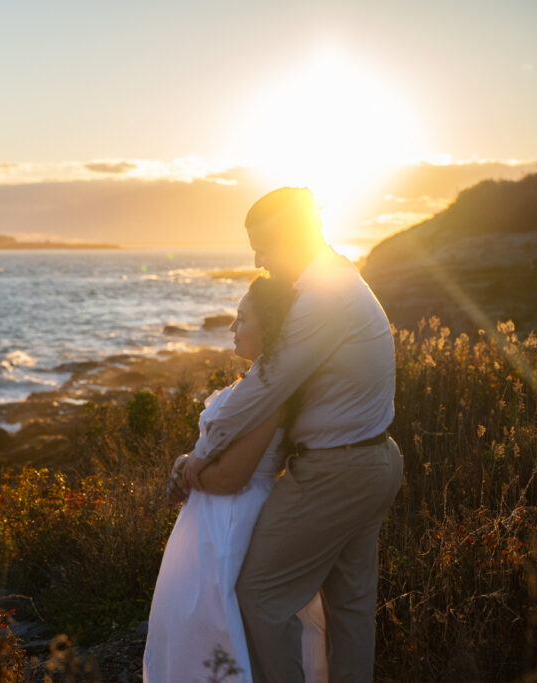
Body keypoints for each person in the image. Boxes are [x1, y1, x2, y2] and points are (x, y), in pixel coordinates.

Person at [183, 187, 403, 683]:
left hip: (337, 471)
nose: (258, 259)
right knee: (350, 612)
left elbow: (266, 384)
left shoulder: (325, 296)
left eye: (264, 246)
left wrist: (199, 453)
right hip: (371, 460)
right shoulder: (339, 281)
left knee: (259, 596)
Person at [143, 275, 328, 683]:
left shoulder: (272, 396)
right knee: (193, 623)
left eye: (242, 318)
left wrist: (191, 475)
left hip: (234, 519)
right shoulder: (254, 385)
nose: (232, 327)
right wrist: (184, 462)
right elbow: (215, 455)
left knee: (219, 622)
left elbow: (232, 477)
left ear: (271, 327)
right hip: (211, 516)